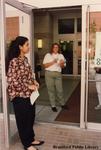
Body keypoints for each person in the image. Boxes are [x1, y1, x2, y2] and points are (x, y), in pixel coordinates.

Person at [6, 36, 44, 150]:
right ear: (20, 47)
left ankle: (31, 139)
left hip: (29, 95)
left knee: (31, 117)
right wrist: (28, 85)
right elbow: (12, 80)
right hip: (19, 96)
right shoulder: (14, 61)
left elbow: (29, 75)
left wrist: (34, 81)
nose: (29, 46)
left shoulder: (25, 59)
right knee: (23, 119)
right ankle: (27, 144)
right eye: (27, 44)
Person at [43, 43, 68, 112]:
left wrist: (61, 64)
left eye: (57, 47)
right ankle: (53, 105)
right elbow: (45, 66)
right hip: (49, 74)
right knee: (51, 90)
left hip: (58, 74)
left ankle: (62, 104)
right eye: (54, 47)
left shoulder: (61, 55)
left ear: (58, 48)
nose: (55, 49)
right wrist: (53, 62)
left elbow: (63, 66)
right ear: (52, 48)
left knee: (60, 90)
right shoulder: (48, 55)